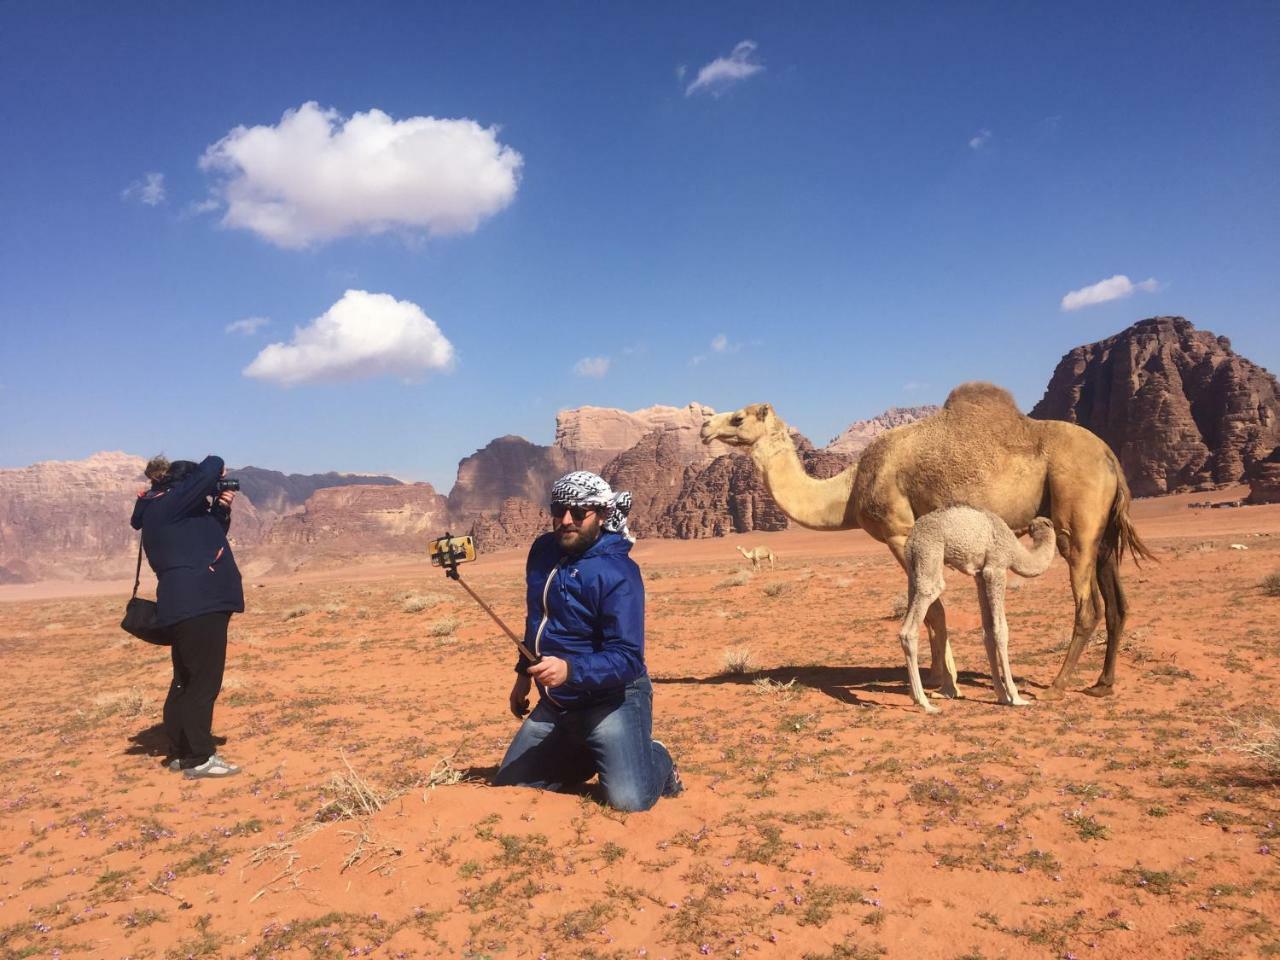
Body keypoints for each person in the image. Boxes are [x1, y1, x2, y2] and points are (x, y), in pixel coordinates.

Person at [494, 471, 682, 811]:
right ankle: (592, 754)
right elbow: (536, 620)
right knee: (512, 786)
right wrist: (523, 675)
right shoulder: (542, 552)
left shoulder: (618, 572)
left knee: (629, 801)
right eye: (558, 510)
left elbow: (628, 658)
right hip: (558, 702)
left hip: (612, 699)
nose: (566, 520)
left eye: (578, 513)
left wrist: (570, 669)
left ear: (602, 515)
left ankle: (656, 756)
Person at [131, 455, 244, 779]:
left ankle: (181, 752)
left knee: (185, 680)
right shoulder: (171, 503)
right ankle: (199, 757)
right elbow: (212, 463)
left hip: (186, 604)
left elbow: (207, 538)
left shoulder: (164, 510)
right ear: (183, 484)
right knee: (203, 683)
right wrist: (216, 469)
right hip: (200, 604)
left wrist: (221, 507)